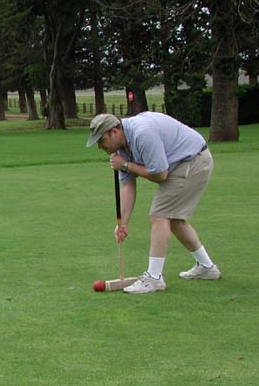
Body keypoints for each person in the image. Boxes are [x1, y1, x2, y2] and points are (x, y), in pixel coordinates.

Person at [86, 112, 220, 294]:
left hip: (192, 160)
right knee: (173, 219)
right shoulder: (120, 150)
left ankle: (154, 278)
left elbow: (160, 174)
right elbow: (127, 186)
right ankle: (207, 267)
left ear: (114, 131)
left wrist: (125, 165)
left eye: (101, 141)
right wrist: (122, 223)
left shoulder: (142, 133)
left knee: (160, 215)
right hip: (181, 162)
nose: (100, 146)